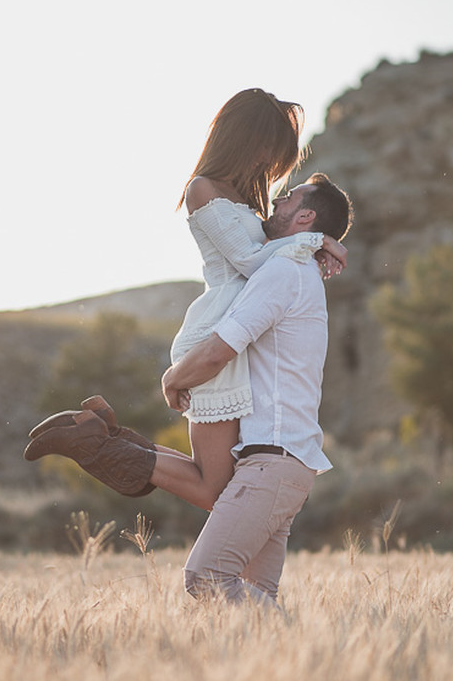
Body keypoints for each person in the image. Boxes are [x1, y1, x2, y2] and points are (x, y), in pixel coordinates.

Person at [29, 173, 353, 606]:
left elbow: (219, 351)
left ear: (306, 216)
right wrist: (319, 242)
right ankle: (107, 441)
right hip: (282, 463)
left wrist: (173, 378)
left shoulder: (285, 270)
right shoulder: (295, 266)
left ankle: (103, 443)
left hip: (272, 462)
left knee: (207, 577)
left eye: (287, 198)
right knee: (254, 600)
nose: (276, 203)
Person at [25, 89, 346, 511]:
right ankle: (96, 443)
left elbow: (269, 256)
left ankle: (105, 436)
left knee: (215, 479)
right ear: (246, 137)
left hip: (235, 337)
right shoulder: (203, 190)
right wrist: (314, 240)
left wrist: (310, 240)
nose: (271, 161)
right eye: (270, 148)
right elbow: (251, 262)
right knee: (214, 490)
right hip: (214, 334)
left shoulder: (246, 200)